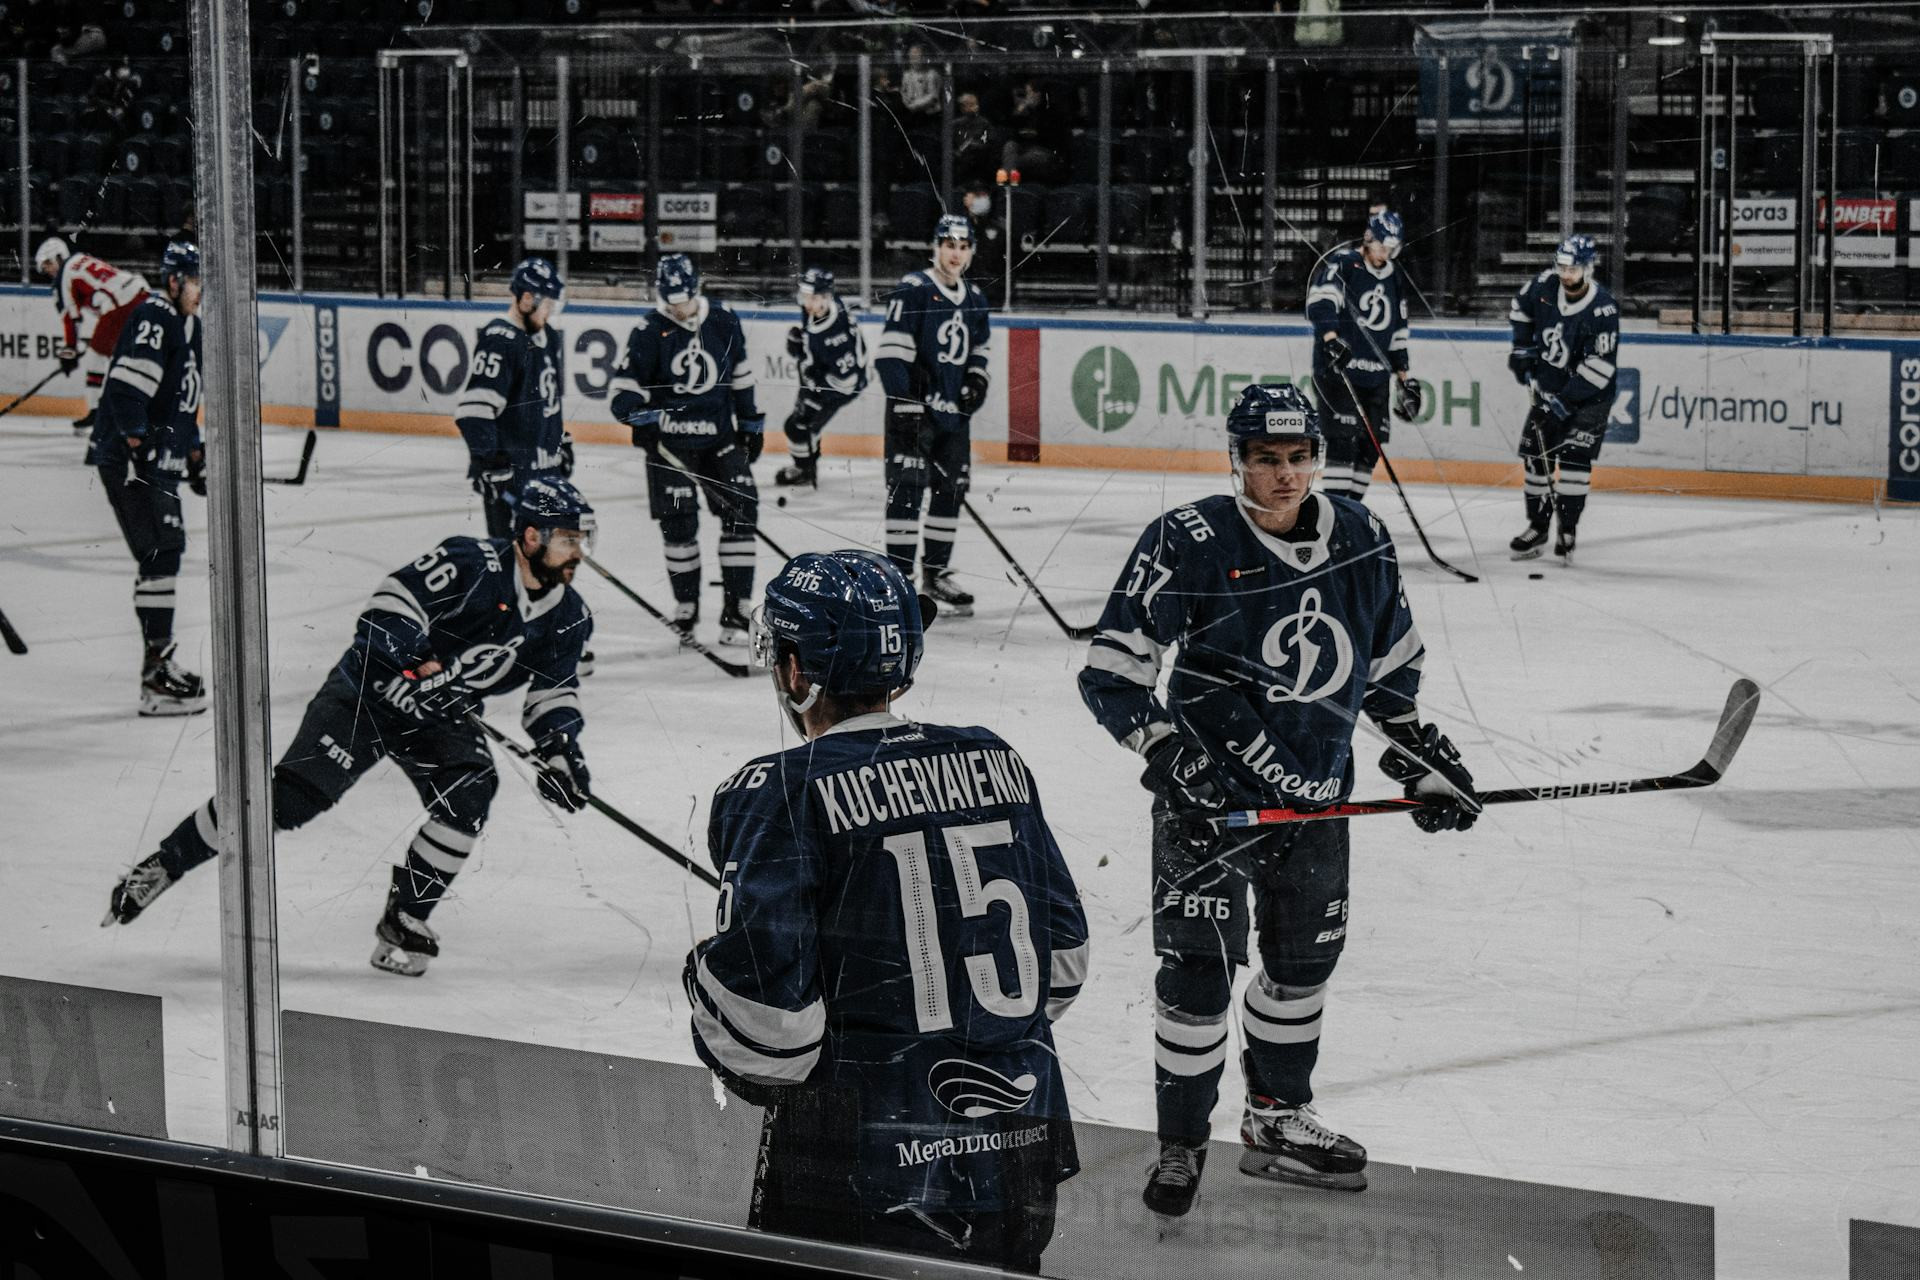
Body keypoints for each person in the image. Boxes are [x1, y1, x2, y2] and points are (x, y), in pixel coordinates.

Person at [1077, 384, 1480, 1218]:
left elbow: (1387, 676)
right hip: (1208, 812)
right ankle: (1182, 1142)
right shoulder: (1188, 539)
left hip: (1315, 803)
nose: (1285, 476)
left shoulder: (1363, 537)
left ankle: (1277, 1117)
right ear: (1237, 462)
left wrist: (1421, 763)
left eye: (1299, 459)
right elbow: (1112, 671)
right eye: (1266, 460)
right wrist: (1166, 755)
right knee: (1196, 980)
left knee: (1302, 973)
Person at [687, 549, 1088, 1273]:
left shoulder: (781, 790)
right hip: (1018, 1151)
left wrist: (702, 971)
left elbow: (768, 1041)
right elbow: (1061, 965)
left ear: (795, 671)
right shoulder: (994, 759)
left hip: (867, 1169)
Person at [103, 479, 597, 977]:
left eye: (581, 540)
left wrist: (560, 752)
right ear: (531, 537)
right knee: (290, 802)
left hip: (439, 715)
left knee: (469, 794)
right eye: (569, 540)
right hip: (370, 691)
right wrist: (419, 661)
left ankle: (405, 916)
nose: (579, 552)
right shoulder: (472, 562)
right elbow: (390, 606)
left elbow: (553, 692)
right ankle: (165, 863)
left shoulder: (569, 616)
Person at [609, 254, 765, 646]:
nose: (677, 309)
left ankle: (737, 609)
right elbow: (623, 389)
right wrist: (638, 417)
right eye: (670, 301)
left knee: (742, 511)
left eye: (683, 300)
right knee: (678, 524)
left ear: (697, 289)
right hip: (670, 444)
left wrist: (750, 424)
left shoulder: (724, 320)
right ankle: (686, 604)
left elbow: (741, 377)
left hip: (718, 439)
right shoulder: (648, 330)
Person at [89, 238, 204, 717]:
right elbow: (125, 390)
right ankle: (156, 676)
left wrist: (194, 454)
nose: (200, 290)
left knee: (163, 554)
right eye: (195, 280)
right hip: (130, 461)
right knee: (161, 552)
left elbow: (181, 402)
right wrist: (138, 445)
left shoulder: (190, 325)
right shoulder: (156, 316)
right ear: (174, 281)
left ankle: (158, 665)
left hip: (157, 461)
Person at [874, 214, 991, 616]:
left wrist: (976, 382)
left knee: (950, 492)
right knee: (907, 493)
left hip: (952, 417)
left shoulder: (975, 298)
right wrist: (905, 403)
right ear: (936, 248)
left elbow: (979, 352)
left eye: (963, 246)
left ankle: (936, 575)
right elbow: (890, 355)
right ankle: (899, 581)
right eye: (949, 245)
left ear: (971, 252)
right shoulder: (914, 290)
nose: (956, 253)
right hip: (912, 414)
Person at [1507, 233, 1620, 562]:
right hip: (1549, 389)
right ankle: (1538, 527)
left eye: (1572, 269)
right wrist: (1523, 349)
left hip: (1590, 398)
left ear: (1587, 268)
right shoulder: (1544, 284)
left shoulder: (1603, 308)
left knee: (1574, 461)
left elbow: (1600, 367)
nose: (1565, 275)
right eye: (1562, 268)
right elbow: (1520, 309)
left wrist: (1564, 402)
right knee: (1535, 460)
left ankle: (1567, 528)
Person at [1304, 211, 1426, 502]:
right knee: (1343, 443)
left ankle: (1351, 510)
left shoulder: (1394, 276)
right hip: (1339, 373)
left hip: (1376, 377)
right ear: (1369, 239)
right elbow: (1320, 302)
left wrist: (1404, 377)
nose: (1385, 253)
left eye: (1391, 248)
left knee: (1371, 447)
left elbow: (1398, 329)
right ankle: (1337, 511)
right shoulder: (1344, 263)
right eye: (1382, 245)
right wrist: (1331, 340)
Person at [455, 256, 568, 541]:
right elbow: (474, 412)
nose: (549, 314)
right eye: (547, 306)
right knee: (513, 558)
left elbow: (546, 404)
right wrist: (492, 464)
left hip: (545, 476)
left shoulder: (547, 336)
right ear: (527, 299)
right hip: (512, 481)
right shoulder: (500, 339)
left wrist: (560, 442)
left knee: (548, 557)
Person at [36, 235, 150, 435]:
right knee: (132, 360)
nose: (48, 270)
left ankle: (96, 413)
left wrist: (70, 349)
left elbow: (71, 317)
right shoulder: (81, 259)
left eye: (48, 264)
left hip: (121, 304)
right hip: (142, 293)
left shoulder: (64, 275)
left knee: (97, 356)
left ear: (59, 257)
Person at [775, 267, 868, 490]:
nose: (807, 302)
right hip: (822, 375)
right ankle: (808, 462)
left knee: (797, 427)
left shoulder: (835, 336)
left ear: (826, 297)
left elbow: (847, 381)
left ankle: (804, 470)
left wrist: (817, 393)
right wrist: (801, 349)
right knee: (803, 425)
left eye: (813, 298)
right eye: (804, 295)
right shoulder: (820, 306)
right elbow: (811, 341)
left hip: (840, 388)